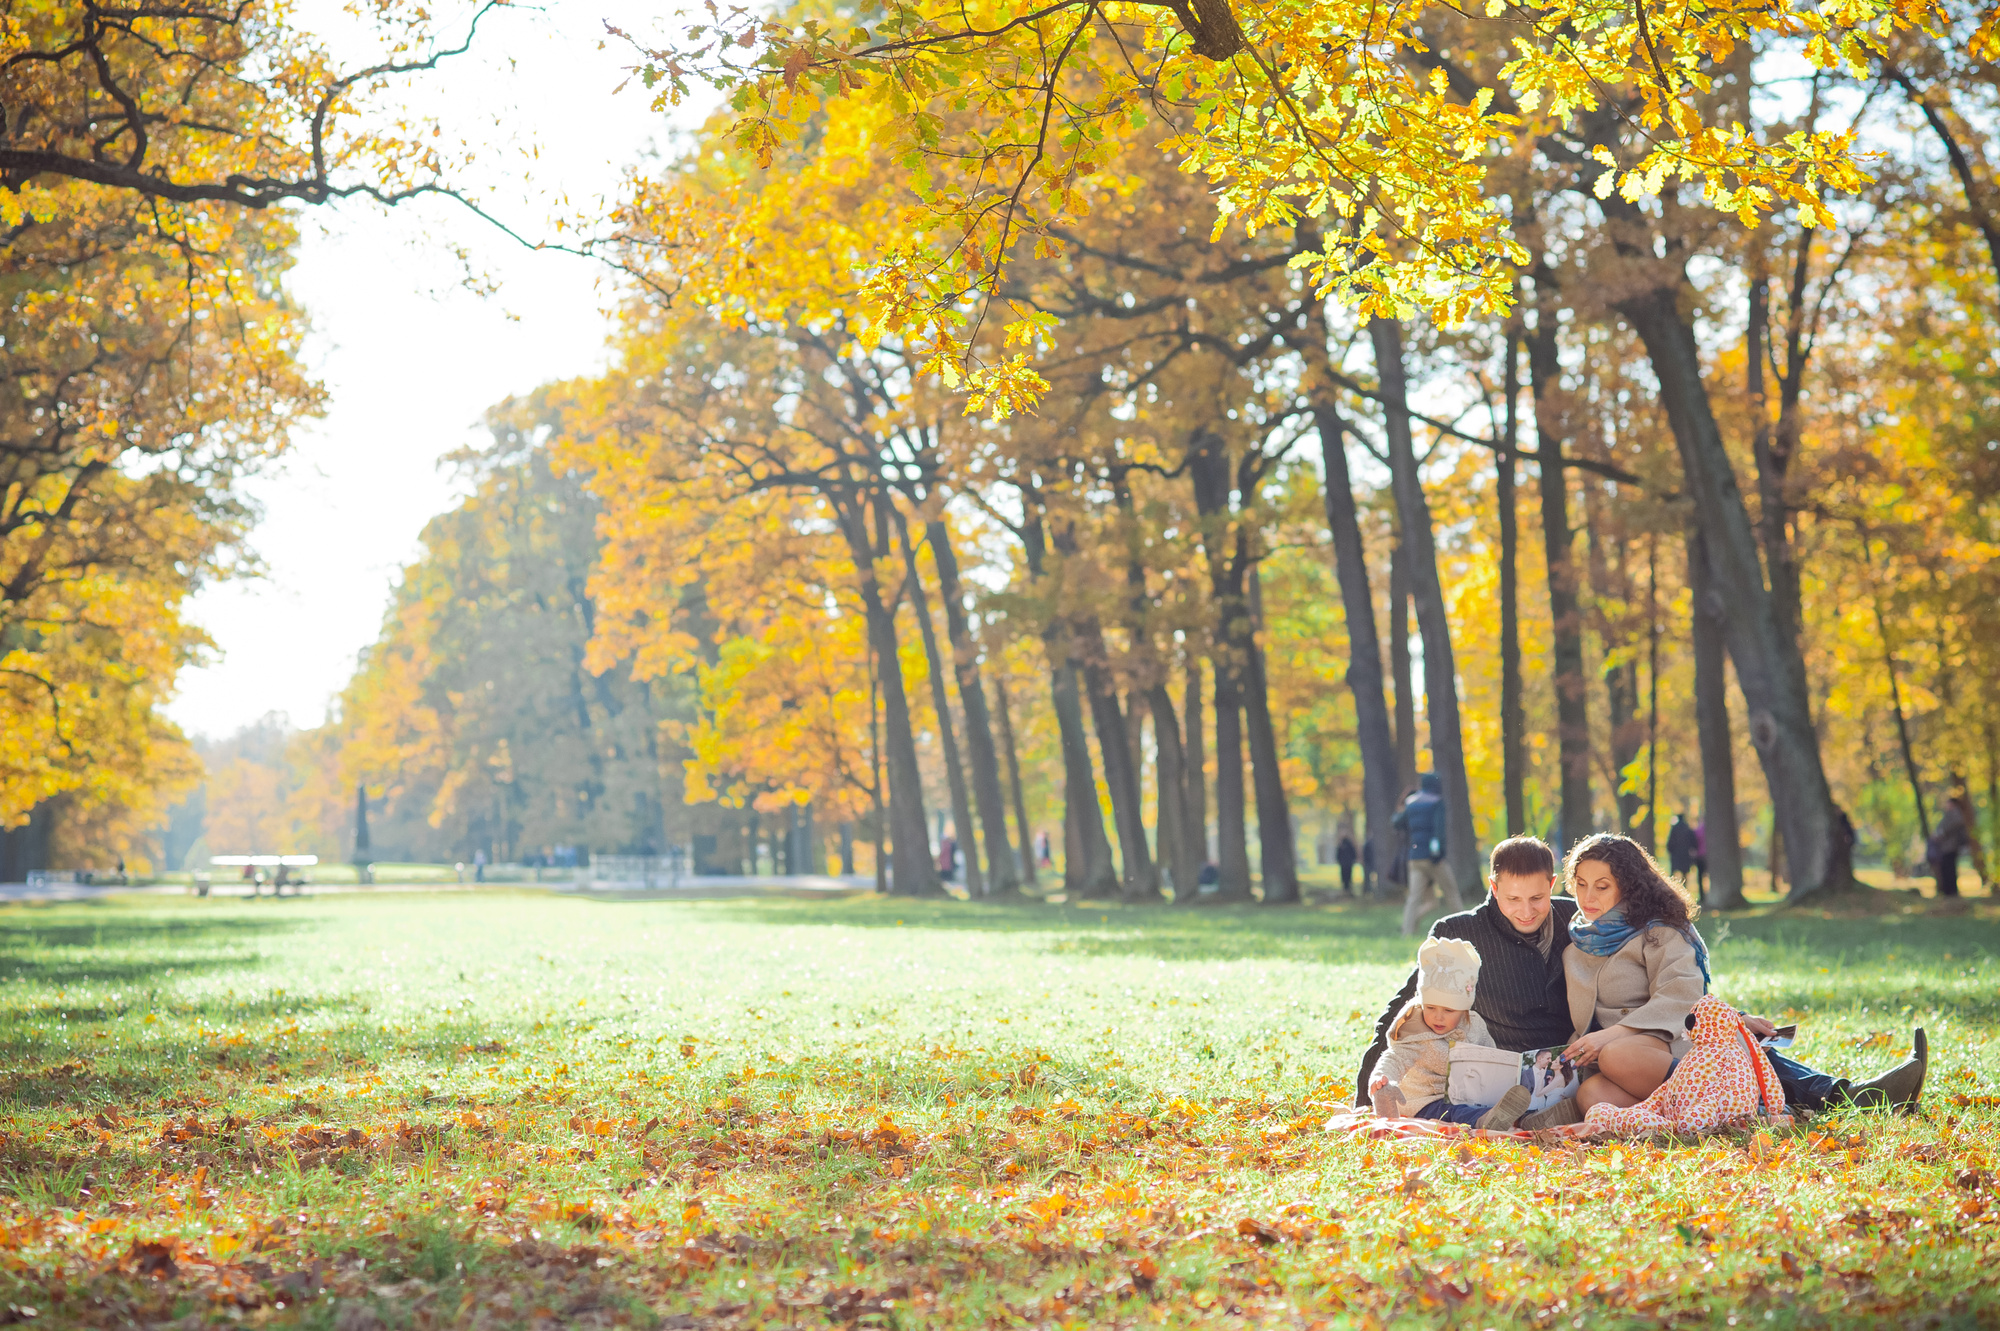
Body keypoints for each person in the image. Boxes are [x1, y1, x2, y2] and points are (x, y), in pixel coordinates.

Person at [1356, 834, 1929, 1118]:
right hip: (1540, 1067)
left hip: (1609, 1046)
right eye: (1513, 899)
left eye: (1540, 895)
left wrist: (1722, 1011)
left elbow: (1671, 976)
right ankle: (1751, 1101)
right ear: (1492, 888)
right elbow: (1406, 1006)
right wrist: (1368, 1090)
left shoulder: (1574, 918)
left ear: (1552, 884)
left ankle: (1839, 1095)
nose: (1529, 910)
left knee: (1711, 1042)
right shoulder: (1462, 930)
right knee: (1621, 1081)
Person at [1367, 938, 1533, 1129]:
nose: (1438, 1017)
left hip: (1470, 1096)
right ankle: (1484, 1122)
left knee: (1491, 1106)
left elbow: (1490, 1058)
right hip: (1426, 1102)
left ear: (1463, 1010)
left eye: (1448, 1011)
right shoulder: (1416, 1031)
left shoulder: (1475, 1025)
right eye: (1430, 1007)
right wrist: (1383, 1078)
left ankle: (1530, 1119)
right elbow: (1395, 1058)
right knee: (1454, 1112)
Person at [1393, 773, 1461, 936]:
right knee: (1451, 893)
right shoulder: (1436, 803)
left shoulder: (1411, 803)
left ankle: (1406, 930)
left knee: (1414, 898)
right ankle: (1464, 929)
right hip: (1433, 858)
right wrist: (1439, 853)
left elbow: (1397, 822)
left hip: (1415, 857)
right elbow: (1439, 831)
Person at [1665, 813, 1698, 898]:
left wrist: (1670, 851)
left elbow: (1670, 843)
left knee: (1674, 873)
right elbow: (1694, 842)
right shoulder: (1687, 828)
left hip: (1676, 855)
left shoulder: (1674, 829)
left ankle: (1672, 889)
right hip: (1685, 855)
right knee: (1685, 873)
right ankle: (1684, 890)